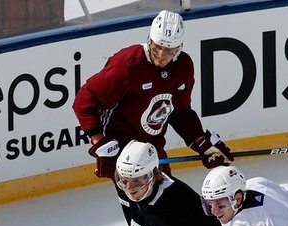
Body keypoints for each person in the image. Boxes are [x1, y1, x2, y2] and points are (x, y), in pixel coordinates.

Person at [72, 10, 232, 182]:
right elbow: (85, 100)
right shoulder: (127, 64)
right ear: (149, 40)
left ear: (179, 48)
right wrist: (99, 141)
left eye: (168, 50)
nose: (161, 55)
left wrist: (202, 143)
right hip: (124, 154)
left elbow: (180, 112)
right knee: (146, 202)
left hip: (154, 150)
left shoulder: (183, 66)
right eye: (157, 48)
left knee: (167, 201)